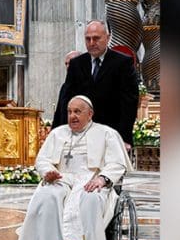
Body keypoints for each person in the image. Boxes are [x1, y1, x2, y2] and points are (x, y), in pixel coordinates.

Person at [16, 95, 132, 240]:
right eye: (69, 112)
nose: (72, 116)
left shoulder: (106, 133)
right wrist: (49, 171)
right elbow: (42, 159)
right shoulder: (58, 133)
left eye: (78, 111)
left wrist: (102, 179)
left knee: (88, 200)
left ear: (90, 114)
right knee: (46, 196)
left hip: (91, 181)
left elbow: (117, 163)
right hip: (63, 179)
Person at [56, 20, 139, 148]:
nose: (91, 43)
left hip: (111, 133)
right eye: (87, 39)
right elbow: (66, 99)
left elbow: (129, 102)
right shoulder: (77, 64)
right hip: (80, 134)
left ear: (107, 37)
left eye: (96, 38)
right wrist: (61, 133)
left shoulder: (122, 62)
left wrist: (124, 137)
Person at [51, 50, 82, 128]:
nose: (68, 66)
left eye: (71, 62)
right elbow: (58, 113)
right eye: (66, 63)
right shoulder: (64, 87)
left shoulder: (89, 84)